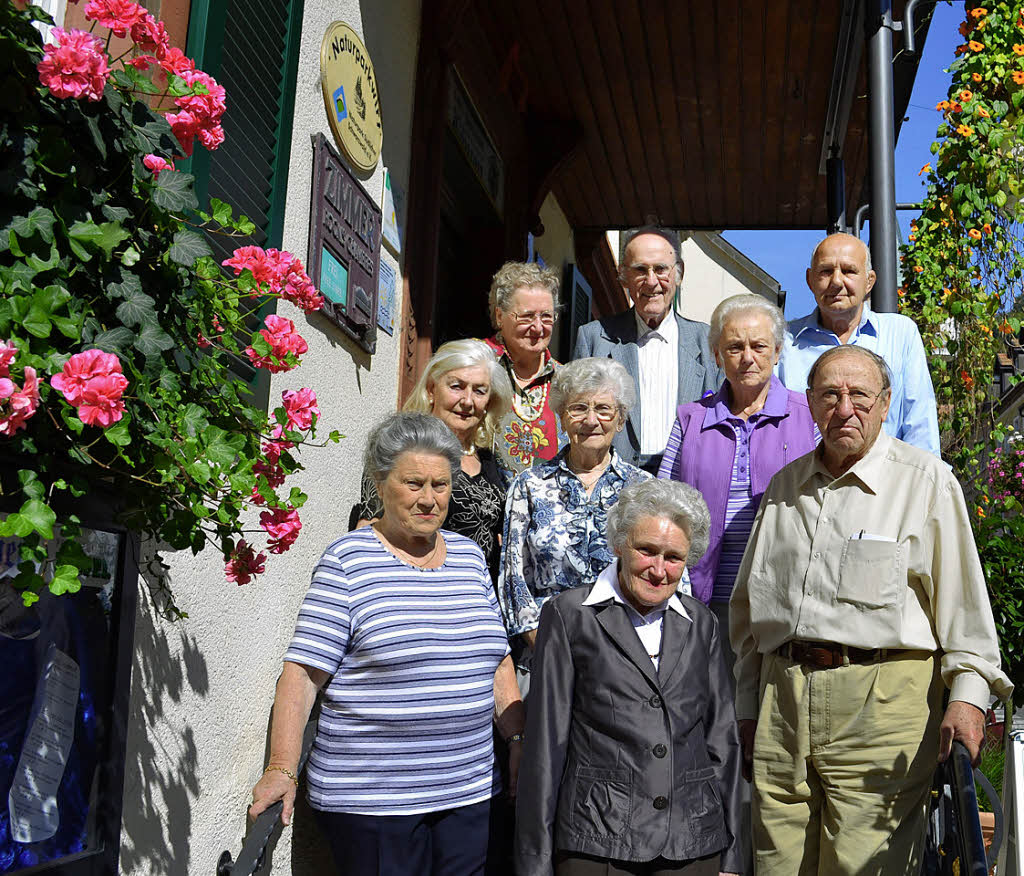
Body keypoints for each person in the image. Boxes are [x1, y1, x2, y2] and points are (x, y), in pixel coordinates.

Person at [729, 345, 1012, 876]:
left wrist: (969, 701)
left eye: (859, 395)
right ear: (809, 405)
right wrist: (748, 708)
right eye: (830, 395)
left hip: (882, 706)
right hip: (782, 705)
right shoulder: (782, 490)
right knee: (773, 865)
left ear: (884, 404)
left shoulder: (926, 483)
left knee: (864, 867)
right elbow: (749, 618)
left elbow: (966, 612)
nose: (844, 408)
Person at [249, 413, 524, 876]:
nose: (429, 498)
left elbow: (496, 659)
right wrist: (281, 767)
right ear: (381, 482)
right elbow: (303, 674)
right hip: (373, 800)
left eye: (440, 484)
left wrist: (517, 737)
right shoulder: (348, 558)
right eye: (413, 483)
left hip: (471, 792)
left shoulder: (470, 556)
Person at [515, 478, 744, 876]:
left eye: (674, 557)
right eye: (647, 550)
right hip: (598, 839)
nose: (658, 570)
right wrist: (535, 861)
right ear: (620, 543)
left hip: (692, 842)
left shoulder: (701, 623)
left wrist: (734, 853)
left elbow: (722, 738)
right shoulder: (570, 616)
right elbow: (545, 747)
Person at [658, 294, 816, 631]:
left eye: (759, 346)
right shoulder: (690, 420)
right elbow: (664, 505)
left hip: (788, 595)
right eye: (734, 347)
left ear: (776, 352)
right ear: (716, 355)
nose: (747, 358)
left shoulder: (808, 417)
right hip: (706, 598)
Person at [497, 358, 650, 682]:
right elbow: (512, 578)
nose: (590, 420)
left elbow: (667, 577)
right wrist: (551, 649)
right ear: (562, 418)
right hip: (545, 662)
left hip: (627, 668)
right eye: (578, 408)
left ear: (620, 419)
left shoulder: (644, 490)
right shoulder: (529, 485)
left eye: (604, 409)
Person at [355, 339, 512, 581]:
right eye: (457, 386)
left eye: (479, 391)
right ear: (431, 390)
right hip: (417, 586)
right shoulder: (400, 447)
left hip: (475, 591)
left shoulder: (491, 460)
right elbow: (369, 529)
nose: (468, 401)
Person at [573, 226, 722, 473]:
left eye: (661, 269)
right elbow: (575, 418)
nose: (652, 281)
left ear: (678, 274)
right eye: (640, 270)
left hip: (686, 482)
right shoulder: (594, 338)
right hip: (612, 484)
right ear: (624, 277)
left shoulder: (708, 341)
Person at [777, 232, 941, 456]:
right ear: (810, 280)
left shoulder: (900, 333)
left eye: (848, 271)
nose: (836, 281)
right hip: (808, 485)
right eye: (826, 271)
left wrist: (924, 483)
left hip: (886, 484)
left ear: (869, 281)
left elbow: (920, 423)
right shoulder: (784, 341)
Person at [483, 261, 564, 479]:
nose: (538, 327)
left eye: (546, 316)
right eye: (527, 316)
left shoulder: (566, 381)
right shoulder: (475, 365)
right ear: (500, 316)